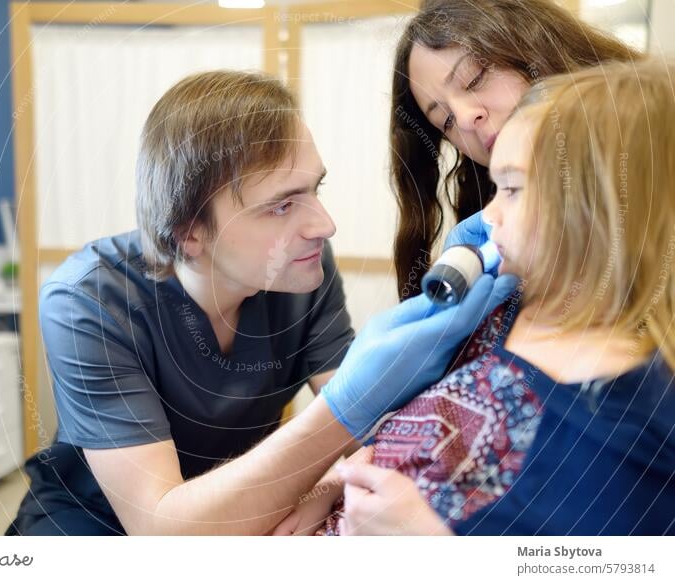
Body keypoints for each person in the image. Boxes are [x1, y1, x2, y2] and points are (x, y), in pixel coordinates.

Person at [6, 70, 517, 535]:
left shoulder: (303, 272)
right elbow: (162, 531)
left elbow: (374, 434)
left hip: (247, 508)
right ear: (190, 235)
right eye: (282, 205)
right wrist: (347, 409)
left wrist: (324, 487)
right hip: (88, 524)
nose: (324, 225)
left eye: (315, 189)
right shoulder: (89, 302)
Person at [277, 59, 675, 536]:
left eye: (511, 188)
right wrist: (336, 482)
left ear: (597, 207)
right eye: (444, 117)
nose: (490, 214)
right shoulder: (518, 311)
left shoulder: (627, 416)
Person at [390, 0, 639, 299]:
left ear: (535, 45)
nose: (467, 119)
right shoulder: (497, 241)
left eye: (475, 78)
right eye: (447, 120)